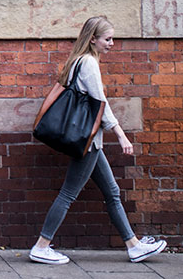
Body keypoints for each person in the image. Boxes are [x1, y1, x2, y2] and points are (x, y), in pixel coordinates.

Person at [29, 16, 167, 265]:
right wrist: (122, 135)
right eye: (108, 39)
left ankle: (133, 245)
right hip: (89, 141)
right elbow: (100, 105)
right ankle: (41, 246)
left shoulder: (76, 61)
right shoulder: (89, 63)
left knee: (112, 192)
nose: (112, 43)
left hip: (89, 141)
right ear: (93, 39)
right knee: (69, 194)